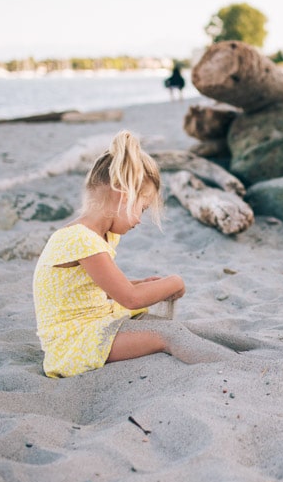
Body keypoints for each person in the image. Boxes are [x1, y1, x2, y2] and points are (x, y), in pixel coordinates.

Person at [33, 130, 186, 378]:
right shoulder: (79, 238)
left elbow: (101, 288)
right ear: (124, 196)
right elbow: (131, 299)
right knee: (168, 336)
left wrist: (140, 283)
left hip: (95, 321)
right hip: (73, 342)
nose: (139, 220)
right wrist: (174, 282)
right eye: (143, 208)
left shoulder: (101, 234)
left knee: (169, 328)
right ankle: (231, 368)